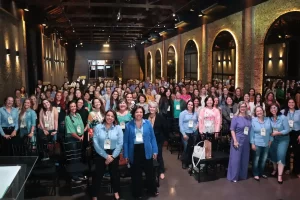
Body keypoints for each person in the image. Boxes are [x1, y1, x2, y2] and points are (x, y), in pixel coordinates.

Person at [123, 106, 159, 198]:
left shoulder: (148, 123)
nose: (139, 114)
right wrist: (126, 155)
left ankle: (152, 190)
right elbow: (126, 141)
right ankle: (137, 193)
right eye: (137, 112)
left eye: (141, 112)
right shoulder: (128, 125)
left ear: (143, 113)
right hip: (134, 150)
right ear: (133, 114)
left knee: (149, 172)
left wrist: (155, 150)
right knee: (136, 174)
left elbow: (153, 138)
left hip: (146, 149)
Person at [91, 110, 123, 200]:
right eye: (108, 115)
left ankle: (116, 191)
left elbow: (120, 144)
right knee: (98, 175)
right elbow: (95, 143)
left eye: (112, 116)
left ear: (114, 118)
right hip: (100, 153)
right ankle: (95, 194)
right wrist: (106, 156)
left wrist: (112, 156)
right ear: (105, 116)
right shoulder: (98, 127)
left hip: (114, 154)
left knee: (115, 175)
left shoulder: (118, 128)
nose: (110, 117)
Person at [227, 101, 252, 182]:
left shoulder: (249, 117)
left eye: (244, 106)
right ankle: (233, 176)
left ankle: (242, 175)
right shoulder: (235, 117)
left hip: (246, 140)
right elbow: (232, 130)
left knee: (245, 158)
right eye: (241, 107)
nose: (243, 108)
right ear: (239, 108)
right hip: (237, 139)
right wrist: (235, 140)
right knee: (235, 159)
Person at [145, 101, 168, 179]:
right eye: (150, 107)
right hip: (147, 140)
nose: (152, 109)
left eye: (153, 107)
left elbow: (165, 129)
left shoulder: (160, 117)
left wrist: (163, 139)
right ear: (148, 108)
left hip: (158, 139)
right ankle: (149, 170)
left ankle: (161, 171)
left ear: (156, 108)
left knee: (158, 155)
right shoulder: (145, 116)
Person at [65, 101, 86, 183]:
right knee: (73, 157)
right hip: (72, 139)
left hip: (80, 138)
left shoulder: (78, 115)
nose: (73, 108)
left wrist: (82, 135)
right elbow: (71, 131)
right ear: (69, 108)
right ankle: (74, 176)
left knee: (78, 157)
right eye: (71, 106)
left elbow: (82, 126)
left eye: (74, 106)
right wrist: (79, 137)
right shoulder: (67, 117)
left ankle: (79, 173)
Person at [250, 106, 273, 181]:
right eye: (257, 111)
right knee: (256, 159)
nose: (259, 112)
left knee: (263, 160)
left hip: (266, 143)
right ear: (255, 113)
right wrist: (252, 143)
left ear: (263, 111)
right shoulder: (253, 120)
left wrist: (270, 140)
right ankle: (255, 173)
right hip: (257, 143)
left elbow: (271, 131)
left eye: (260, 111)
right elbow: (251, 133)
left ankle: (261, 172)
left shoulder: (268, 119)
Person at [269, 103, 290, 184]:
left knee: (281, 155)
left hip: (283, 139)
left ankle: (280, 175)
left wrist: (277, 133)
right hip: (273, 139)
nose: (273, 109)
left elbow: (287, 130)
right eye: (271, 108)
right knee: (273, 154)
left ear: (278, 108)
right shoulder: (270, 118)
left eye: (275, 108)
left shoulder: (283, 118)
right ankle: (275, 169)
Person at [282, 98, 300, 177]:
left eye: (293, 102)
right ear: (287, 103)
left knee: (297, 152)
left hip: (297, 133)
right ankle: (287, 168)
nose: (291, 104)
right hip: (287, 133)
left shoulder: (299, 112)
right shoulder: (284, 112)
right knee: (287, 151)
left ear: (295, 103)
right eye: (289, 102)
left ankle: (297, 171)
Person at [179, 100, 198, 169]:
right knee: (186, 147)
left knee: (192, 147)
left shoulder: (195, 113)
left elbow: (198, 121)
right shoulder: (182, 113)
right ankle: (184, 162)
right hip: (185, 132)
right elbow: (180, 125)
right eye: (189, 104)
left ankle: (190, 161)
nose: (190, 106)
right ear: (187, 105)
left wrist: (197, 125)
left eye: (192, 105)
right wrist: (183, 134)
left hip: (193, 132)